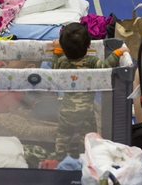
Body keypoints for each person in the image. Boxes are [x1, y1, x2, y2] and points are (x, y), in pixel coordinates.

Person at [51, 22, 130, 161]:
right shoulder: (91, 61)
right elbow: (106, 66)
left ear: (63, 47)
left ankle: (60, 158)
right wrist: (118, 52)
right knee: (87, 137)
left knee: (63, 136)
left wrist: (56, 50)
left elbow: (54, 68)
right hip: (86, 112)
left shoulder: (62, 62)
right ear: (88, 46)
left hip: (66, 112)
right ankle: (85, 158)